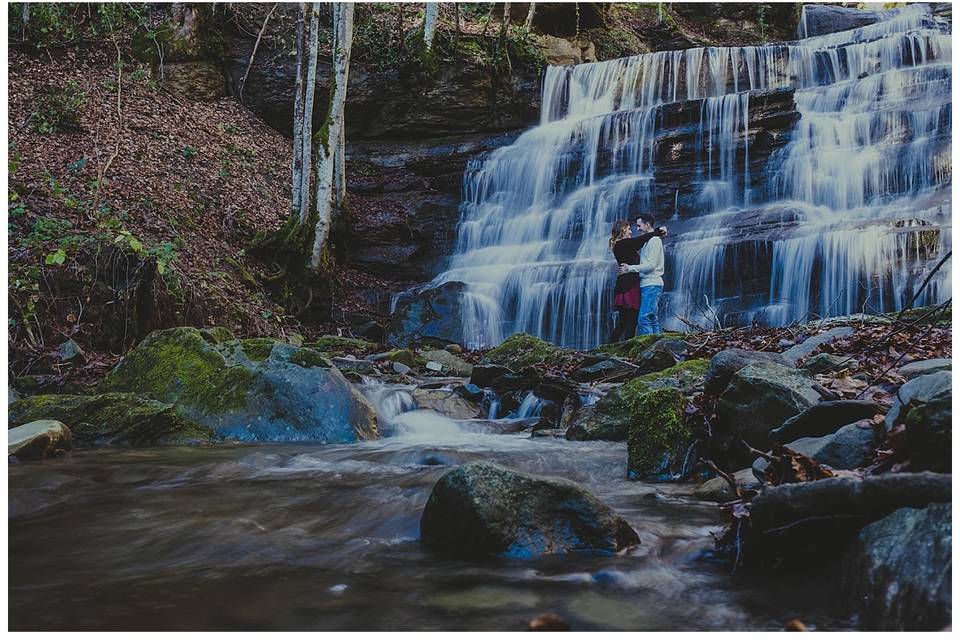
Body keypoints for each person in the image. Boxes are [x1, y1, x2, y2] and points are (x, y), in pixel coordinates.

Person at [608, 219, 666, 342]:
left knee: (624, 322)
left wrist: (657, 234)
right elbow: (641, 240)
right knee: (631, 321)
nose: (631, 231)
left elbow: (642, 241)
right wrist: (658, 231)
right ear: (622, 230)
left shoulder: (623, 245)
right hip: (628, 286)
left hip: (627, 284)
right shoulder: (621, 244)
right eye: (629, 229)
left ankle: (610, 346)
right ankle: (623, 346)